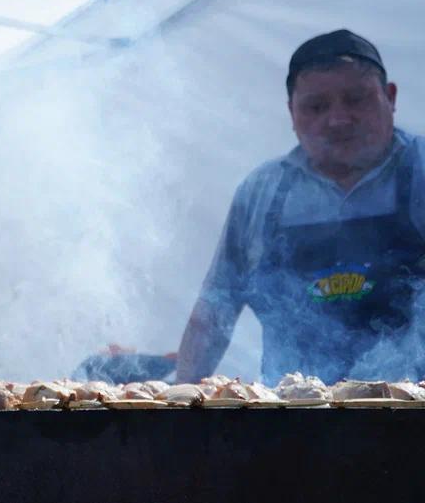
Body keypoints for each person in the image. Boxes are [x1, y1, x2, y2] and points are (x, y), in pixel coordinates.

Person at [176, 30, 424, 384]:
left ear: (391, 97)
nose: (338, 119)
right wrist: (178, 401)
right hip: (294, 420)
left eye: (356, 99)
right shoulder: (262, 192)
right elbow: (214, 311)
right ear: (292, 113)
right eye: (316, 107)